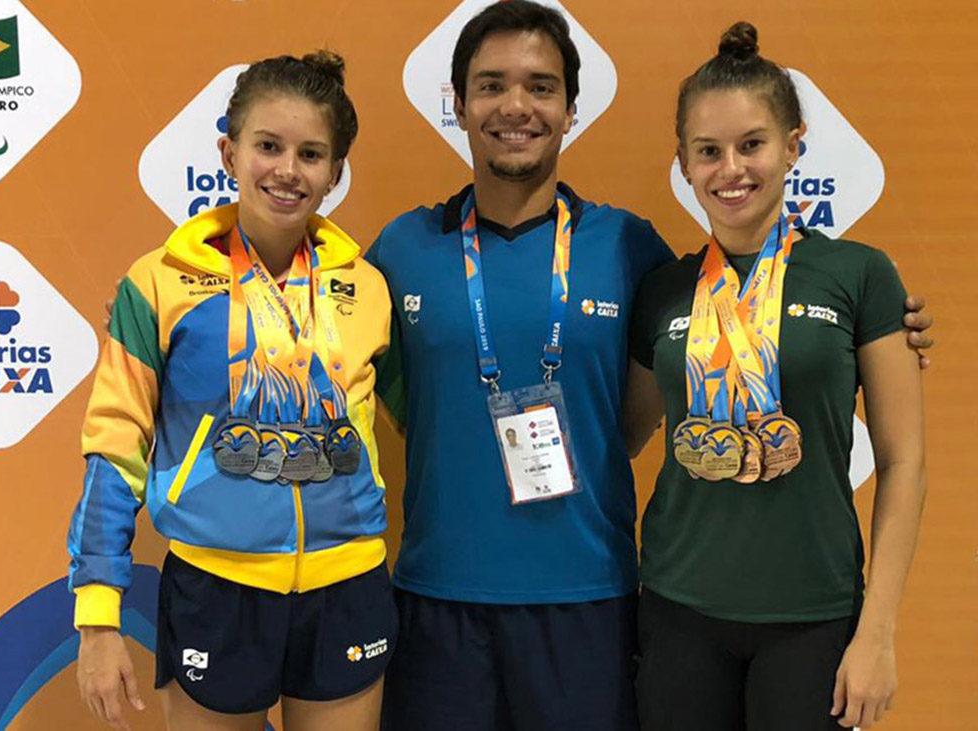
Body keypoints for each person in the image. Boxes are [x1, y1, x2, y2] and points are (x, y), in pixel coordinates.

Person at [365, 4, 932, 730]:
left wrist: (891, 328)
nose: (515, 106)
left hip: (592, 603)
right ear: (460, 103)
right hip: (441, 599)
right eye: (491, 85)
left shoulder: (630, 250)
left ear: (571, 109)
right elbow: (329, 345)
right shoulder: (401, 249)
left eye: (541, 86)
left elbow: (650, 404)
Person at [67, 53, 396, 731]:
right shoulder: (158, 282)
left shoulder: (367, 288)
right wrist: (98, 616)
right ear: (229, 152)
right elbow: (115, 444)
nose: (287, 170)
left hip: (348, 582)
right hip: (216, 585)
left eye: (311, 154)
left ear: (335, 172)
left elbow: (419, 412)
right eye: (268, 146)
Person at [627, 22, 926, 731]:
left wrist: (878, 632)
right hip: (677, 608)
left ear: (793, 145)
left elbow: (903, 461)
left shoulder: (859, 275)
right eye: (709, 150)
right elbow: (622, 436)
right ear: (683, 162)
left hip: (812, 615)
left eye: (752, 144)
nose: (730, 168)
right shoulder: (663, 289)